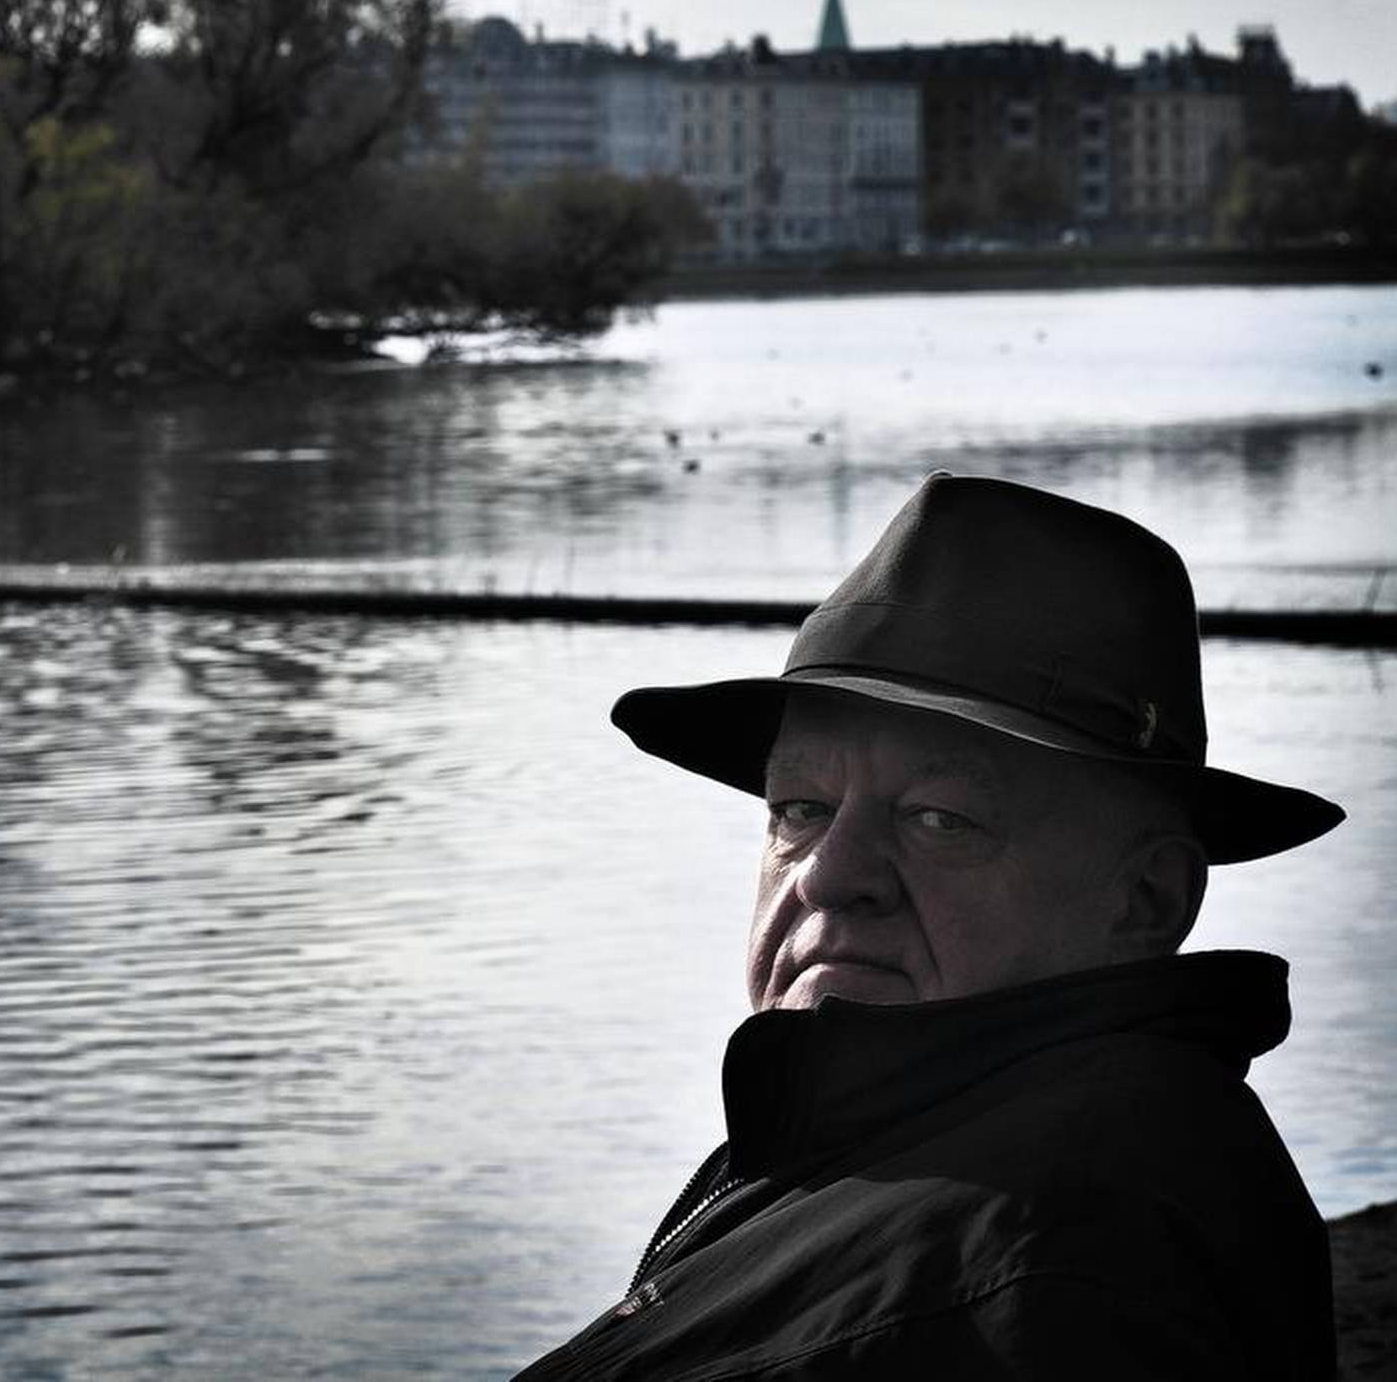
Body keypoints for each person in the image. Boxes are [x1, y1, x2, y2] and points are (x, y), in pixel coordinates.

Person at [515, 472, 1344, 1380]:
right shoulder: (911, 1127)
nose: (831, 875)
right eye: (799, 807)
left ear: (1144, 901)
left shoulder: (1060, 1269)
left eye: (940, 818)